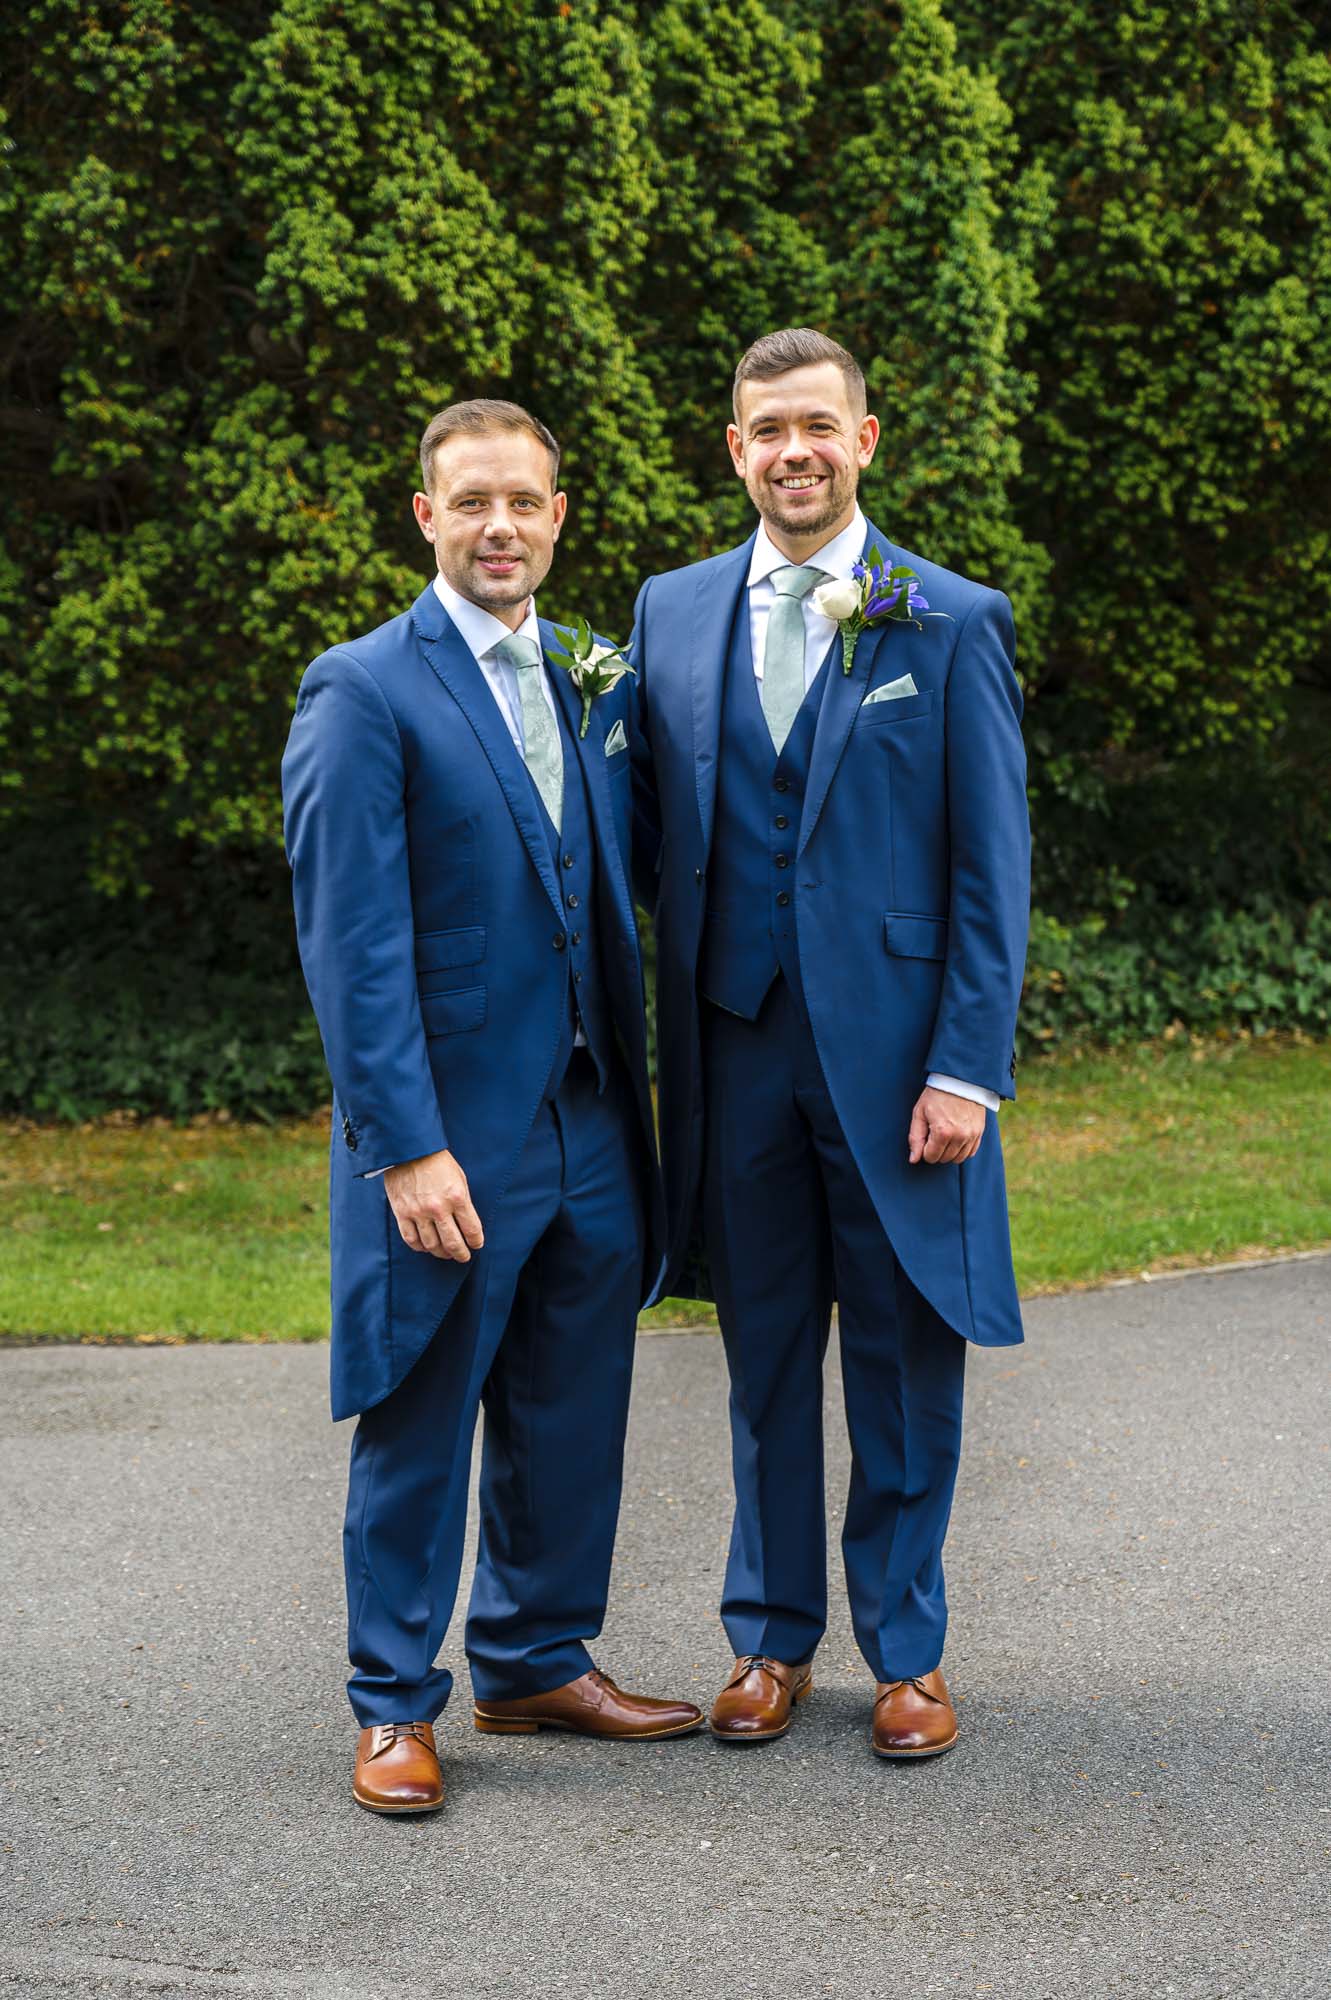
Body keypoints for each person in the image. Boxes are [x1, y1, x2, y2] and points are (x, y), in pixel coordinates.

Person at [282, 399, 701, 1817]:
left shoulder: (592, 673)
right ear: (426, 517)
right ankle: (395, 1704)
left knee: (575, 1400)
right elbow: (353, 945)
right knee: (422, 1407)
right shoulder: (362, 688)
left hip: (590, 1113)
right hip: (452, 1129)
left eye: (524, 501)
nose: (500, 526)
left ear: (560, 513)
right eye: (472, 503)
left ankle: (532, 1654)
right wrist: (404, 1145)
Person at [629, 329, 1030, 1759]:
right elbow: (643, 838)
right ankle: (768, 1641)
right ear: (731, 449)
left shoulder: (950, 617)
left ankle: (908, 1653)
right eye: (764, 429)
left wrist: (967, 1066)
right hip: (733, 1048)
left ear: (867, 440)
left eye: (818, 425)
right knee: (762, 1356)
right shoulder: (668, 611)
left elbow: (993, 867)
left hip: (901, 1061)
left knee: (909, 1359)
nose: (792, 450)